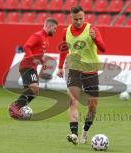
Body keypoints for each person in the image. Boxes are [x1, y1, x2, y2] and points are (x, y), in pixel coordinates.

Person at [57, 6, 106, 145]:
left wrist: (95, 38)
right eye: (76, 19)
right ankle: (74, 134)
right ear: (71, 18)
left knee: (92, 105)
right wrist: (60, 67)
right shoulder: (65, 31)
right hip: (74, 67)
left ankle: (85, 132)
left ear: (84, 17)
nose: (79, 21)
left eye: (81, 19)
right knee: (73, 101)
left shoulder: (92, 29)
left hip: (90, 69)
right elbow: (63, 49)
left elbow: (103, 48)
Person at [9, 18, 58, 119]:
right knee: (34, 88)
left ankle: (18, 108)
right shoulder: (38, 35)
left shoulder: (46, 39)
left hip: (32, 67)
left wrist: (43, 61)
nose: (55, 31)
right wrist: (33, 58)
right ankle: (15, 106)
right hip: (27, 66)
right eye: (54, 28)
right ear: (49, 26)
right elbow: (27, 46)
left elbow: (38, 53)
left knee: (35, 91)